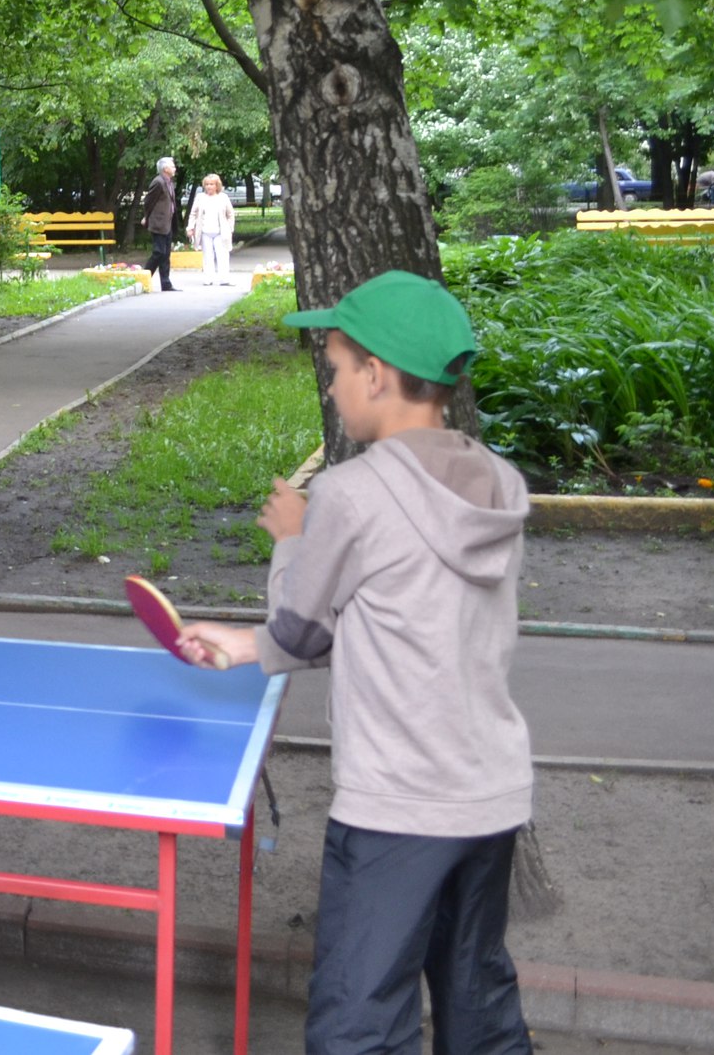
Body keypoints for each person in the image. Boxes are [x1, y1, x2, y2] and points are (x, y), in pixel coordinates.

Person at [178, 272, 534, 1055]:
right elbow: (396, 617)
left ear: (376, 374)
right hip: (489, 797)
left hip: (397, 808)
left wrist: (293, 539)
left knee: (358, 1024)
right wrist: (241, 645)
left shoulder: (351, 493)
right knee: (479, 1007)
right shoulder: (499, 485)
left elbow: (304, 630)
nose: (333, 385)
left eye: (336, 367)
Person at [187, 172, 238, 287]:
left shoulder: (223, 197)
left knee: (222, 255)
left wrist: (230, 228)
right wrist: (190, 227)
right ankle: (208, 279)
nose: (209, 186)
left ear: (217, 186)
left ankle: (224, 279)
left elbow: (230, 214)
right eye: (207, 184)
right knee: (207, 256)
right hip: (205, 232)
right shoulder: (200, 198)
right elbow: (193, 214)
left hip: (220, 232)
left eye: (212, 184)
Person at [142, 156, 179, 291]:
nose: (175, 168)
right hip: (158, 223)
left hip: (167, 222)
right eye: (172, 166)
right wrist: (146, 217)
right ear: (165, 169)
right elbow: (148, 201)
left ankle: (166, 283)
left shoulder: (169, 182)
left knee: (165, 254)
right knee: (159, 252)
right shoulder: (158, 182)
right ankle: (143, 278)